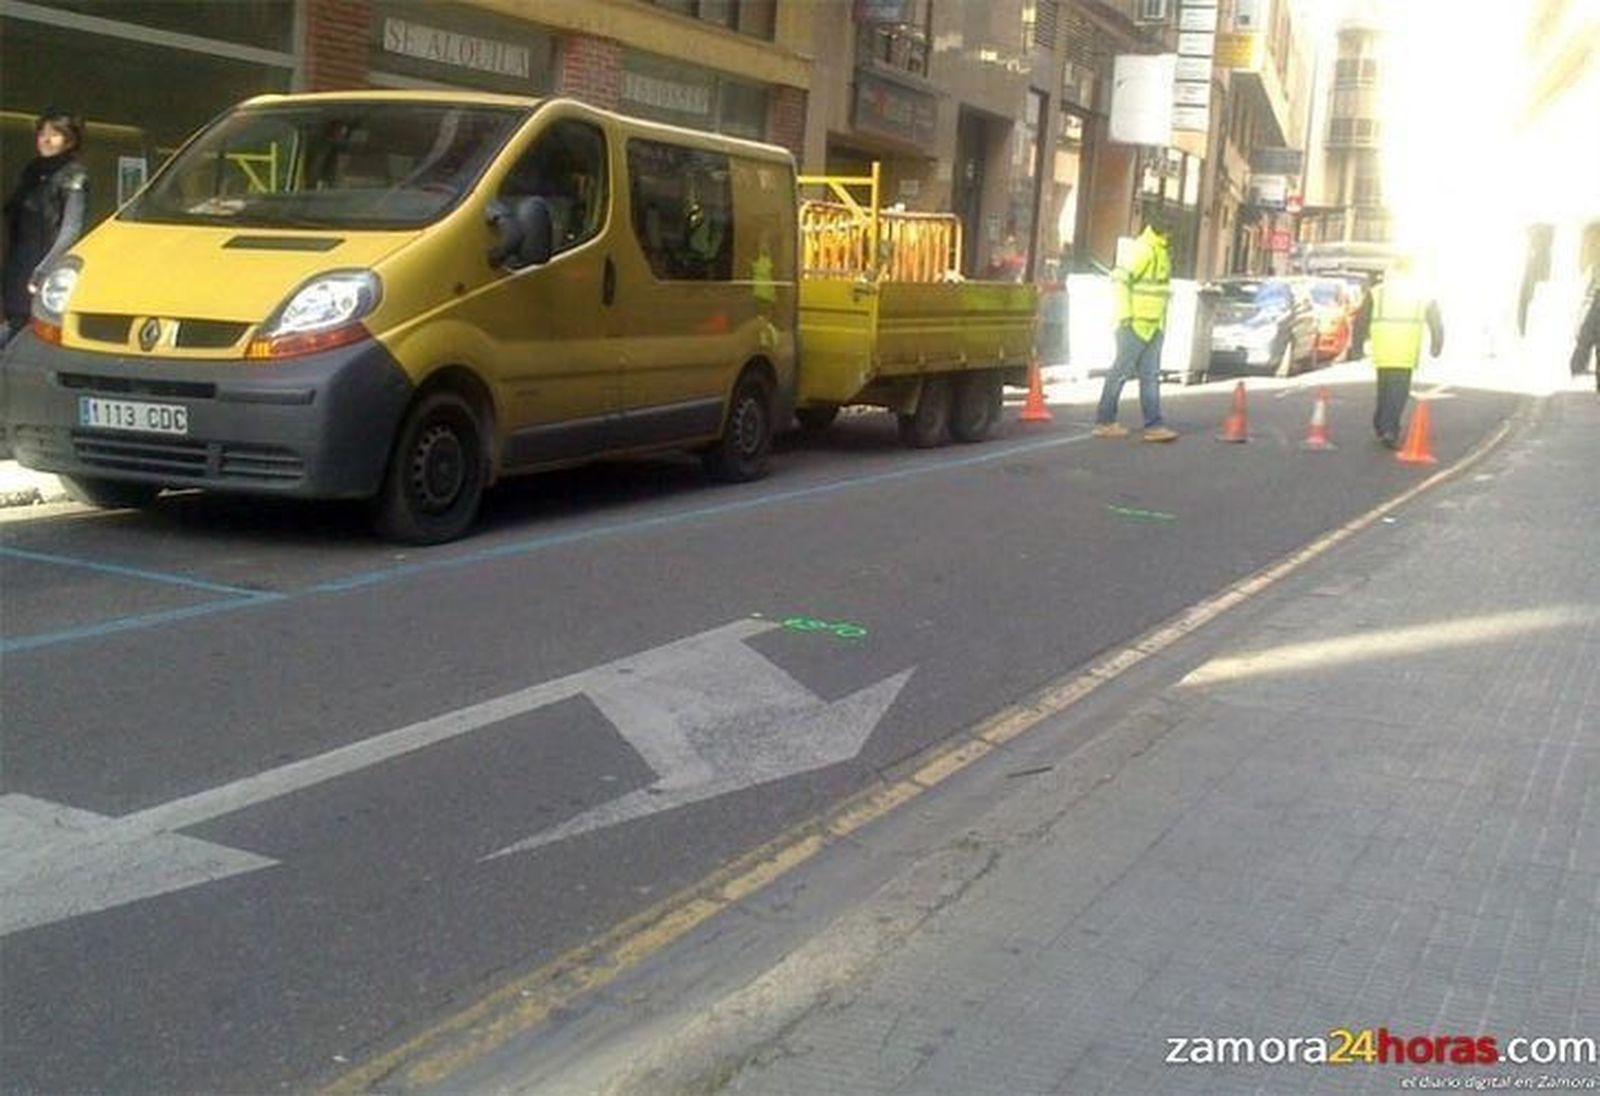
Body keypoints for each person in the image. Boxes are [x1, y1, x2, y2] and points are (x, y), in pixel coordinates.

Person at [3, 109, 88, 347]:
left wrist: (44, 270)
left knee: (31, 334)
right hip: (18, 261)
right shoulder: (32, 171)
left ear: (69, 140)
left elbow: (71, 231)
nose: (46, 140)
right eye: (42, 134)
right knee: (13, 325)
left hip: (45, 262)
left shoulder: (74, 175)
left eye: (55, 135)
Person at [1092, 209, 1178, 442]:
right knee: (1121, 373)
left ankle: (1153, 425)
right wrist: (1125, 316)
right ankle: (1105, 421)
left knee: (1149, 376)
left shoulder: (1158, 251)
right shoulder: (1143, 250)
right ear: (1166, 231)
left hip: (1152, 325)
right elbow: (1120, 280)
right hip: (1135, 324)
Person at [1368, 257, 1444, 448]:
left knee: (1384, 390)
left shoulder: (1378, 292)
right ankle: (1390, 430)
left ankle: (1380, 423)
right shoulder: (1422, 294)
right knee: (1398, 393)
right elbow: (1436, 322)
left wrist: (1357, 342)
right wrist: (1437, 344)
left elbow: (1362, 317)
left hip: (1382, 348)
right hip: (1405, 350)